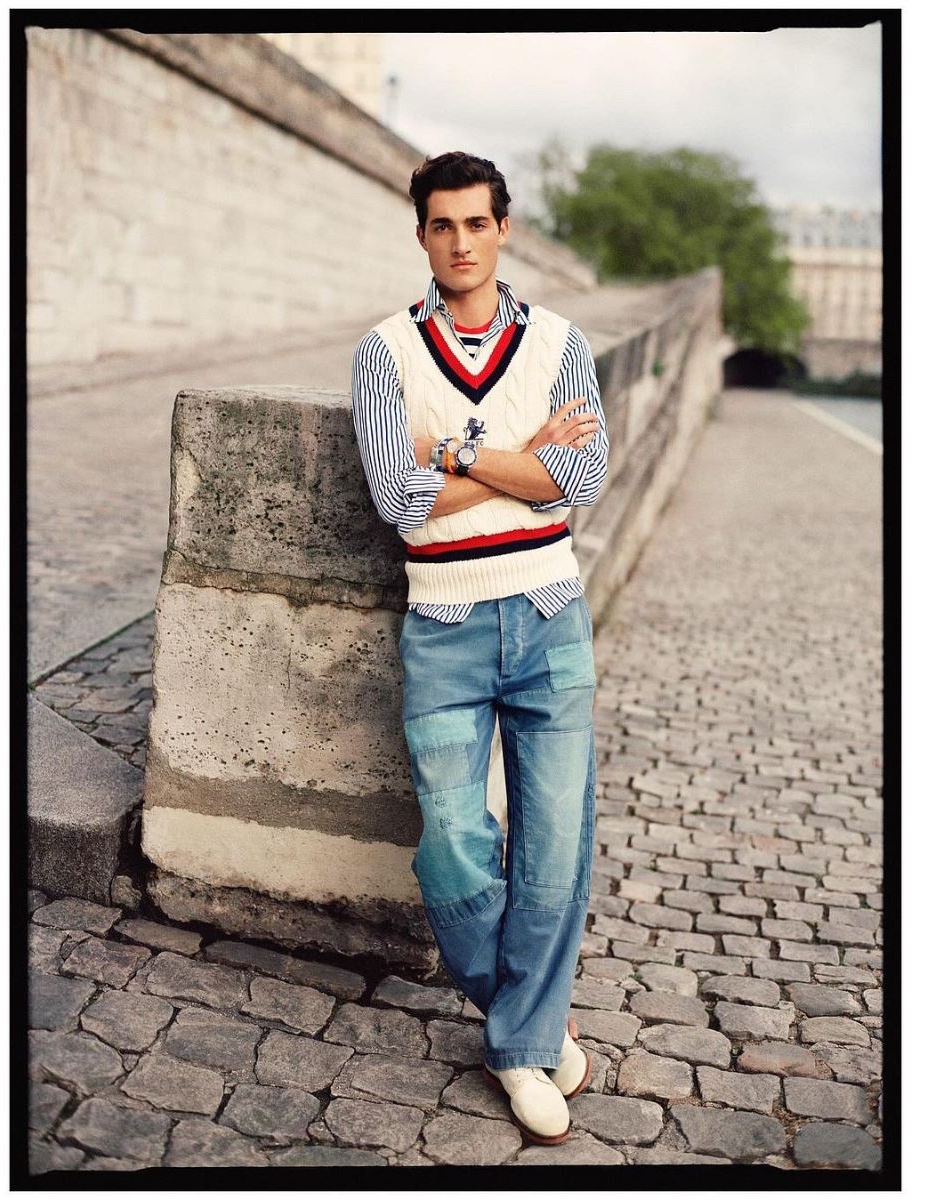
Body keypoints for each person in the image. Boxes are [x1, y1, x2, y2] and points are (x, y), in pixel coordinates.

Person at [350, 151, 609, 1145]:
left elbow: (580, 477)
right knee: (454, 847)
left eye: (476, 223)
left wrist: (454, 453)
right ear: (421, 234)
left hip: (549, 618)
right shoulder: (385, 353)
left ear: (503, 228)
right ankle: (536, 1024)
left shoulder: (560, 342)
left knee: (553, 847)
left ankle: (514, 1046)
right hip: (446, 628)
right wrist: (522, 459)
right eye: (441, 225)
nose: (459, 242)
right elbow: (398, 503)